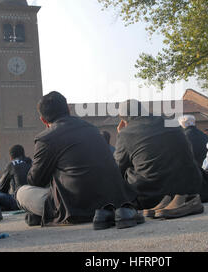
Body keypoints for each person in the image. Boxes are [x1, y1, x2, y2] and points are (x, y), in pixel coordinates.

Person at [16, 91, 137, 226]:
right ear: (68, 109)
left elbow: (35, 180)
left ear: (43, 120)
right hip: (111, 204)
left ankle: (41, 215)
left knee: (21, 193)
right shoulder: (93, 130)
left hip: (76, 209)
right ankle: (40, 215)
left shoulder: (46, 139)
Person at [114, 99, 205, 211]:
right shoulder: (170, 121)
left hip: (154, 194)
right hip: (192, 187)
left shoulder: (126, 133)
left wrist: (121, 135)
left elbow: (118, 168)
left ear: (123, 120)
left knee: (127, 171)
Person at [0, 145, 32, 211]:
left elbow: (2, 187)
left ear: (11, 156)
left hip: (19, 202)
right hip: (32, 200)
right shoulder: (31, 162)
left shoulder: (12, 164)